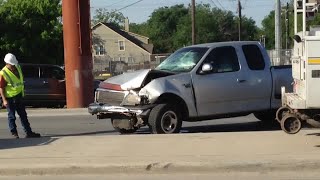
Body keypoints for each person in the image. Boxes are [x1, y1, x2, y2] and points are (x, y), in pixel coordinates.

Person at [0, 53, 40, 138]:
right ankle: (14, 133)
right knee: (12, 116)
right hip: (10, 98)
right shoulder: (3, 73)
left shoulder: (17, 67)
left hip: (19, 96)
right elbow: (1, 88)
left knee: (23, 116)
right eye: (12, 65)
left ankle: (29, 132)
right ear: (7, 63)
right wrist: (4, 100)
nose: (14, 66)